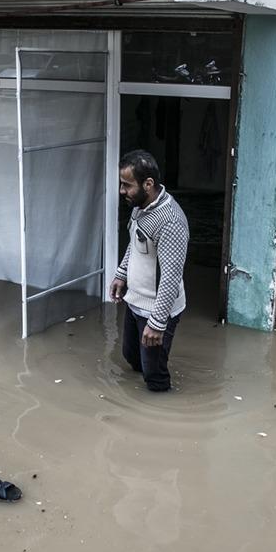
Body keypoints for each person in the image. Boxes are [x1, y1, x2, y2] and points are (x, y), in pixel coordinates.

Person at [109, 150, 189, 392]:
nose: (122, 191)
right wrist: (122, 274)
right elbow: (135, 244)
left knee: (155, 377)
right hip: (135, 301)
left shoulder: (170, 222)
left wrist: (156, 323)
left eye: (127, 185)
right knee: (131, 357)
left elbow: (171, 278)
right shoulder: (139, 206)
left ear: (148, 184)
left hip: (155, 310)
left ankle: (159, 417)